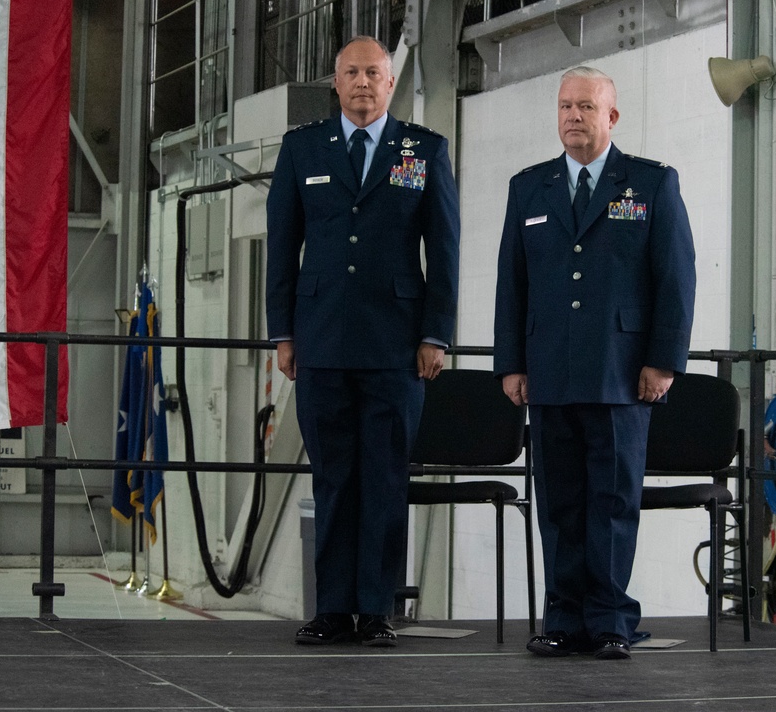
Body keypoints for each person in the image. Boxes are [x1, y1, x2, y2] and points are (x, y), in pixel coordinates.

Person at [494, 66, 695, 660]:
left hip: (621, 372)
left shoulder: (652, 184)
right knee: (558, 503)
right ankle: (562, 617)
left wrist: (663, 361)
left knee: (611, 501)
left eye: (586, 106)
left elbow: (675, 280)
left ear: (612, 117)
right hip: (549, 371)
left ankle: (609, 619)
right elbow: (512, 282)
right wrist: (511, 362)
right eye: (564, 106)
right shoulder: (529, 187)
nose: (573, 116)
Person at [265, 36, 460, 647]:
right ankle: (333, 609)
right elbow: (281, 247)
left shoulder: (423, 150)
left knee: (384, 478)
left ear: (390, 80)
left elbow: (446, 249)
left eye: (374, 72)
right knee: (333, 479)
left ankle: (376, 608)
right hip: (320, 339)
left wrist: (436, 333)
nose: (362, 83)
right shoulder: (302, 149)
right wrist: (283, 332)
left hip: (397, 344)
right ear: (334, 79)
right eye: (351, 72)